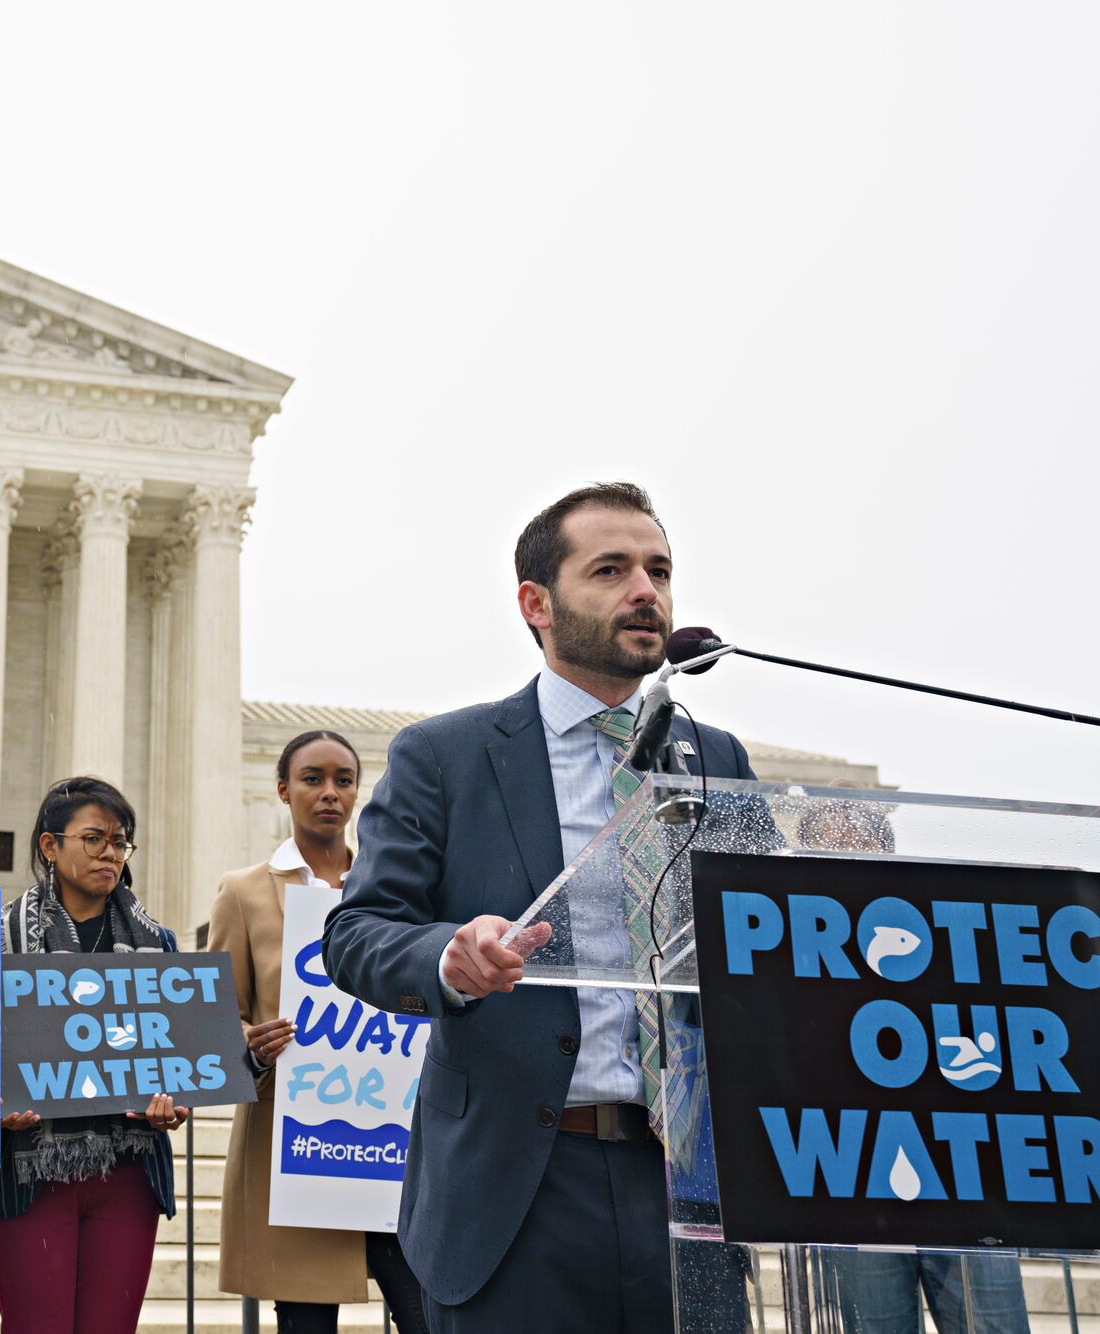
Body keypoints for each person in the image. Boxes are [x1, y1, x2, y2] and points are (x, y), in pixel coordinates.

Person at [322, 482, 759, 1333]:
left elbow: (764, 943)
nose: (648, 591)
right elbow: (358, 933)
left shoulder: (716, 759)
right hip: (515, 1192)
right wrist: (450, 955)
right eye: (611, 569)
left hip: (688, 1190)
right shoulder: (446, 756)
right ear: (538, 603)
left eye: (660, 570)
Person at [211, 730, 430, 1333]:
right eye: (312, 779)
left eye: (344, 779)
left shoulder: (397, 893)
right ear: (282, 790)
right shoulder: (245, 892)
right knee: (305, 1320)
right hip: (297, 1145)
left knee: (425, 1311)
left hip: (393, 1144)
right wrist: (251, 1045)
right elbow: (216, 1023)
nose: (329, 793)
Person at [0, 776, 188, 1334]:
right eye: (94, 838)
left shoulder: (157, 945)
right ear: (49, 846)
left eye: (119, 841)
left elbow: (177, 1060)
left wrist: (176, 1103)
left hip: (128, 1175)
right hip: (27, 1173)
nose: (109, 853)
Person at [798, 797, 1029, 1334]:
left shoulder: (937, 927)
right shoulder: (793, 949)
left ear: (885, 848)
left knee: (994, 1324)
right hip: (851, 1176)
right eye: (830, 848)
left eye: (858, 844)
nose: (846, 857)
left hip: (960, 1172)